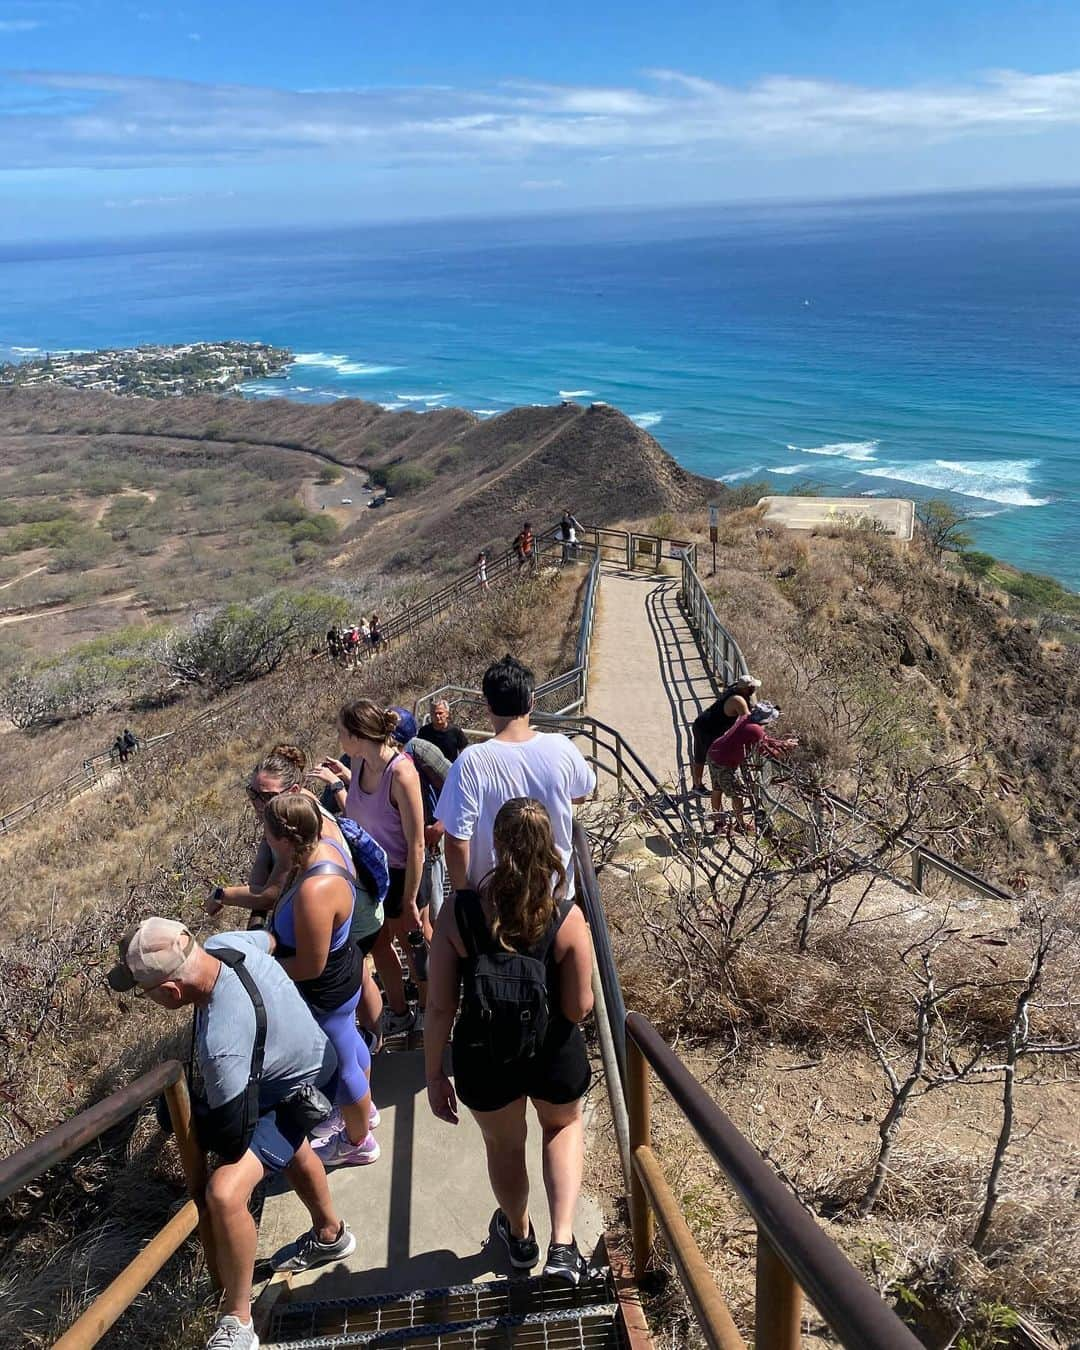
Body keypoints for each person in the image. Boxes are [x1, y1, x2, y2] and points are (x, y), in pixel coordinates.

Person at [107, 919, 354, 1350]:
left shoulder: (222, 1043)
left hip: (301, 1087)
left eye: (145, 991)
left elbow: (231, 1137)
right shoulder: (226, 944)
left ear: (170, 992)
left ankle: (238, 1322)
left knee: (224, 1192)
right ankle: (331, 1235)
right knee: (287, 1144)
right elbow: (272, 938)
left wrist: (181, 1117)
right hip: (314, 1058)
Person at [425, 798, 594, 1284]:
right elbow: (578, 1008)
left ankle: (520, 1238)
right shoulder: (566, 916)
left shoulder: (459, 913)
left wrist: (435, 1072)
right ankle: (563, 1246)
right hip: (552, 1051)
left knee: (504, 1144)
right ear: (551, 848)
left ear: (495, 846)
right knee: (560, 1129)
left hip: (483, 1053)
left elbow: (439, 1005)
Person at [206, 745, 385, 1037]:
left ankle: (370, 1038)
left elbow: (269, 894)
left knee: (353, 974)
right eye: (253, 793)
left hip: (353, 915)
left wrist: (221, 894)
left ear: (294, 789)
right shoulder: (294, 810)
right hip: (351, 904)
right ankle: (373, 1037)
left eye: (266, 796)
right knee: (357, 971)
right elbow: (265, 858)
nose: (258, 802)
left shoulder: (298, 832)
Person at [262, 795, 379, 1167]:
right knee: (352, 1044)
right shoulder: (325, 847)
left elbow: (311, 965)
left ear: (283, 839)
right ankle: (366, 1111)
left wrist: (265, 969)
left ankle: (358, 1141)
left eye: (267, 833)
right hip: (345, 970)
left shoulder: (315, 889)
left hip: (326, 988)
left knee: (344, 1066)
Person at [436, 655, 595, 895]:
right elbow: (583, 793)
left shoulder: (471, 761)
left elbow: (457, 839)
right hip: (554, 895)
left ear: (488, 705)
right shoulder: (562, 747)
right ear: (532, 701)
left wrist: (463, 897)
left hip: (494, 901)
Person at [314, 701, 425, 1038]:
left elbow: (416, 843)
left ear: (358, 736)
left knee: (413, 946)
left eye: (342, 733)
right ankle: (401, 1013)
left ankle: (432, 1011)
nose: (339, 739)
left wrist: (409, 901)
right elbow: (363, 816)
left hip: (402, 876)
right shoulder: (360, 764)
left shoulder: (402, 774)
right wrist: (342, 780)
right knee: (380, 946)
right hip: (371, 874)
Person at [706, 704, 797, 836]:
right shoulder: (756, 730)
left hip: (714, 753)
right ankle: (740, 825)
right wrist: (784, 750)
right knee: (736, 794)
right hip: (726, 763)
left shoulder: (746, 718)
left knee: (717, 789)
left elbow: (764, 740)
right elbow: (766, 751)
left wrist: (783, 743)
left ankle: (719, 824)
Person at [689, 675, 762, 794]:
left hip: (703, 724)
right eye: (752, 687)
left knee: (700, 756)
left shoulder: (734, 691)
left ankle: (698, 785)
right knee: (710, 759)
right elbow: (748, 720)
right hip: (708, 729)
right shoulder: (738, 700)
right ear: (745, 688)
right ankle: (703, 787)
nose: (754, 690)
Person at [417, 699, 469, 764]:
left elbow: (464, 755)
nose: (437, 716)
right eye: (434, 713)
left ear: (447, 714)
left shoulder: (456, 731)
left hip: (449, 770)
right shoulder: (424, 731)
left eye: (440, 713)